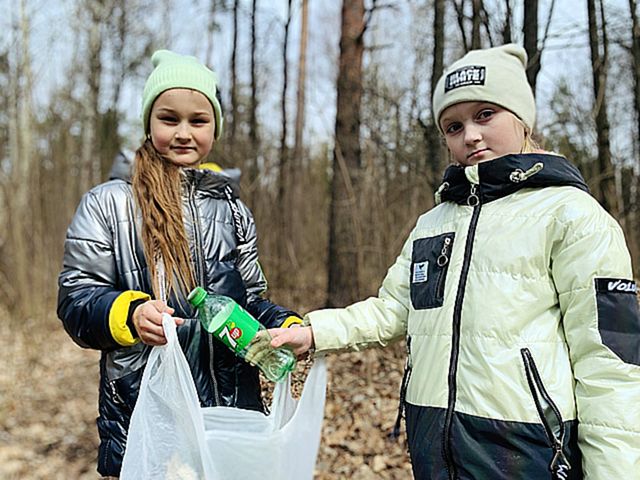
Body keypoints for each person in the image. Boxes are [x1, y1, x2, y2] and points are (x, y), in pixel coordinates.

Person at [270, 44, 640, 479]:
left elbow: (610, 365)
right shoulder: (433, 222)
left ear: (522, 117)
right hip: (433, 442)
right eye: (453, 125)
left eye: (486, 114)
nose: (471, 135)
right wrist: (315, 333)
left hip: (526, 449)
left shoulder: (574, 217)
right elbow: (395, 309)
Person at [57, 49, 301, 478]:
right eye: (169, 119)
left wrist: (287, 324)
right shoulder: (108, 204)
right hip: (143, 416)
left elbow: (251, 299)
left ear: (215, 128)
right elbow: (76, 298)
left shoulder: (232, 209)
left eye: (198, 120)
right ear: (149, 123)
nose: (184, 133)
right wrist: (129, 314)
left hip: (227, 415)